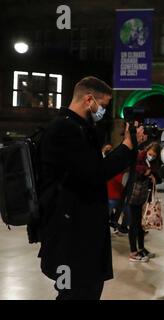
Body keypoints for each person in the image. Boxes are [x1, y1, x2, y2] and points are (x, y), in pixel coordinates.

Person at [37, 76, 145, 300]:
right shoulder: (65, 129)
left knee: (85, 291)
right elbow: (94, 173)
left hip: (79, 233)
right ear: (89, 99)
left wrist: (128, 147)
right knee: (73, 293)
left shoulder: (78, 128)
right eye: (103, 105)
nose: (103, 111)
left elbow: (93, 170)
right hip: (69, 238)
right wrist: (125, 147)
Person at [127, 142, 162, 262]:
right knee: (134, 223)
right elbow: (132, 169)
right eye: (150, 153)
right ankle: (133, 252)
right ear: (147, 150)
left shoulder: (153, 163)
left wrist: (152, 174)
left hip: (143, 197)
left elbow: (158, 177)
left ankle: (141, 248)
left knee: (142, 224)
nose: (151, 156)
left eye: (154, 155)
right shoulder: (139, 157)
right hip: (134, 195)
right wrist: (145, 171)